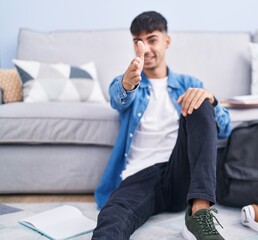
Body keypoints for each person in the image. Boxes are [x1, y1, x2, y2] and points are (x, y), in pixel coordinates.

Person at [92, 11, 231, 240]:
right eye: (138, 41)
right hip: (140, 175)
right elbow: (118, 98)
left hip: (181, 174)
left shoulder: (189, 84)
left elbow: (224, 129)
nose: (145, 48)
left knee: (200, 99)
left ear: (167, 41)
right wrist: (127, 83)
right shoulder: (129, 81)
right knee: (112, 218)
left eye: (152, 39)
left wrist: (213, 101)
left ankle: (200, 213)